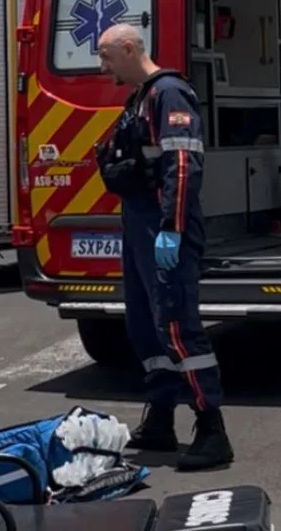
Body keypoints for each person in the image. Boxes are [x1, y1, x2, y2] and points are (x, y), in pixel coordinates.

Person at [92, 23, 233, 471]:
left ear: (129, 49)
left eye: (106, 56)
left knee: (176, 325)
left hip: (161, 224)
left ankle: (211, 429)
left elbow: (182, 167)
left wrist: (171, 230)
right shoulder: (140, 98)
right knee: (143, 326)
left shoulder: (168, 95)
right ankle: (160, 416)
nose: (102, 66)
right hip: (139, 223)